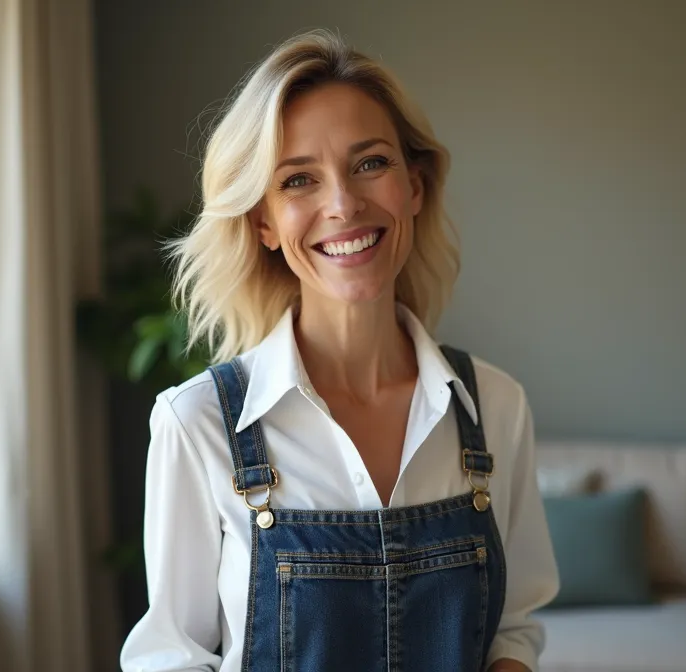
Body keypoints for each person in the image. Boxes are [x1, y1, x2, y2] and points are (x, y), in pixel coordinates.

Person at [120, 29, 559, 672]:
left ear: (414, 185)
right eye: (299, 179)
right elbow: (169, 657)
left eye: (370, 163)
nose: (343, 205)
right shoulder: (198, 424)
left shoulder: (495, 406)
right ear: (264, 222)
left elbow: (513, 628)